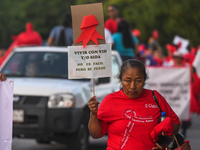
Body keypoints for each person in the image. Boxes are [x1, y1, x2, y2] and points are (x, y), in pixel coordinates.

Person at [88, 59, 180, 150]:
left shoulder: (155, 97)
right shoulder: (110, 100)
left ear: (144, 80)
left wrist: (165, 136)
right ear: (121, 80)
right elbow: (96, 134)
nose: (132, 86)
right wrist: (93, 114)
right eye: (127, 81)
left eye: (138, 81)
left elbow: (176, 124)